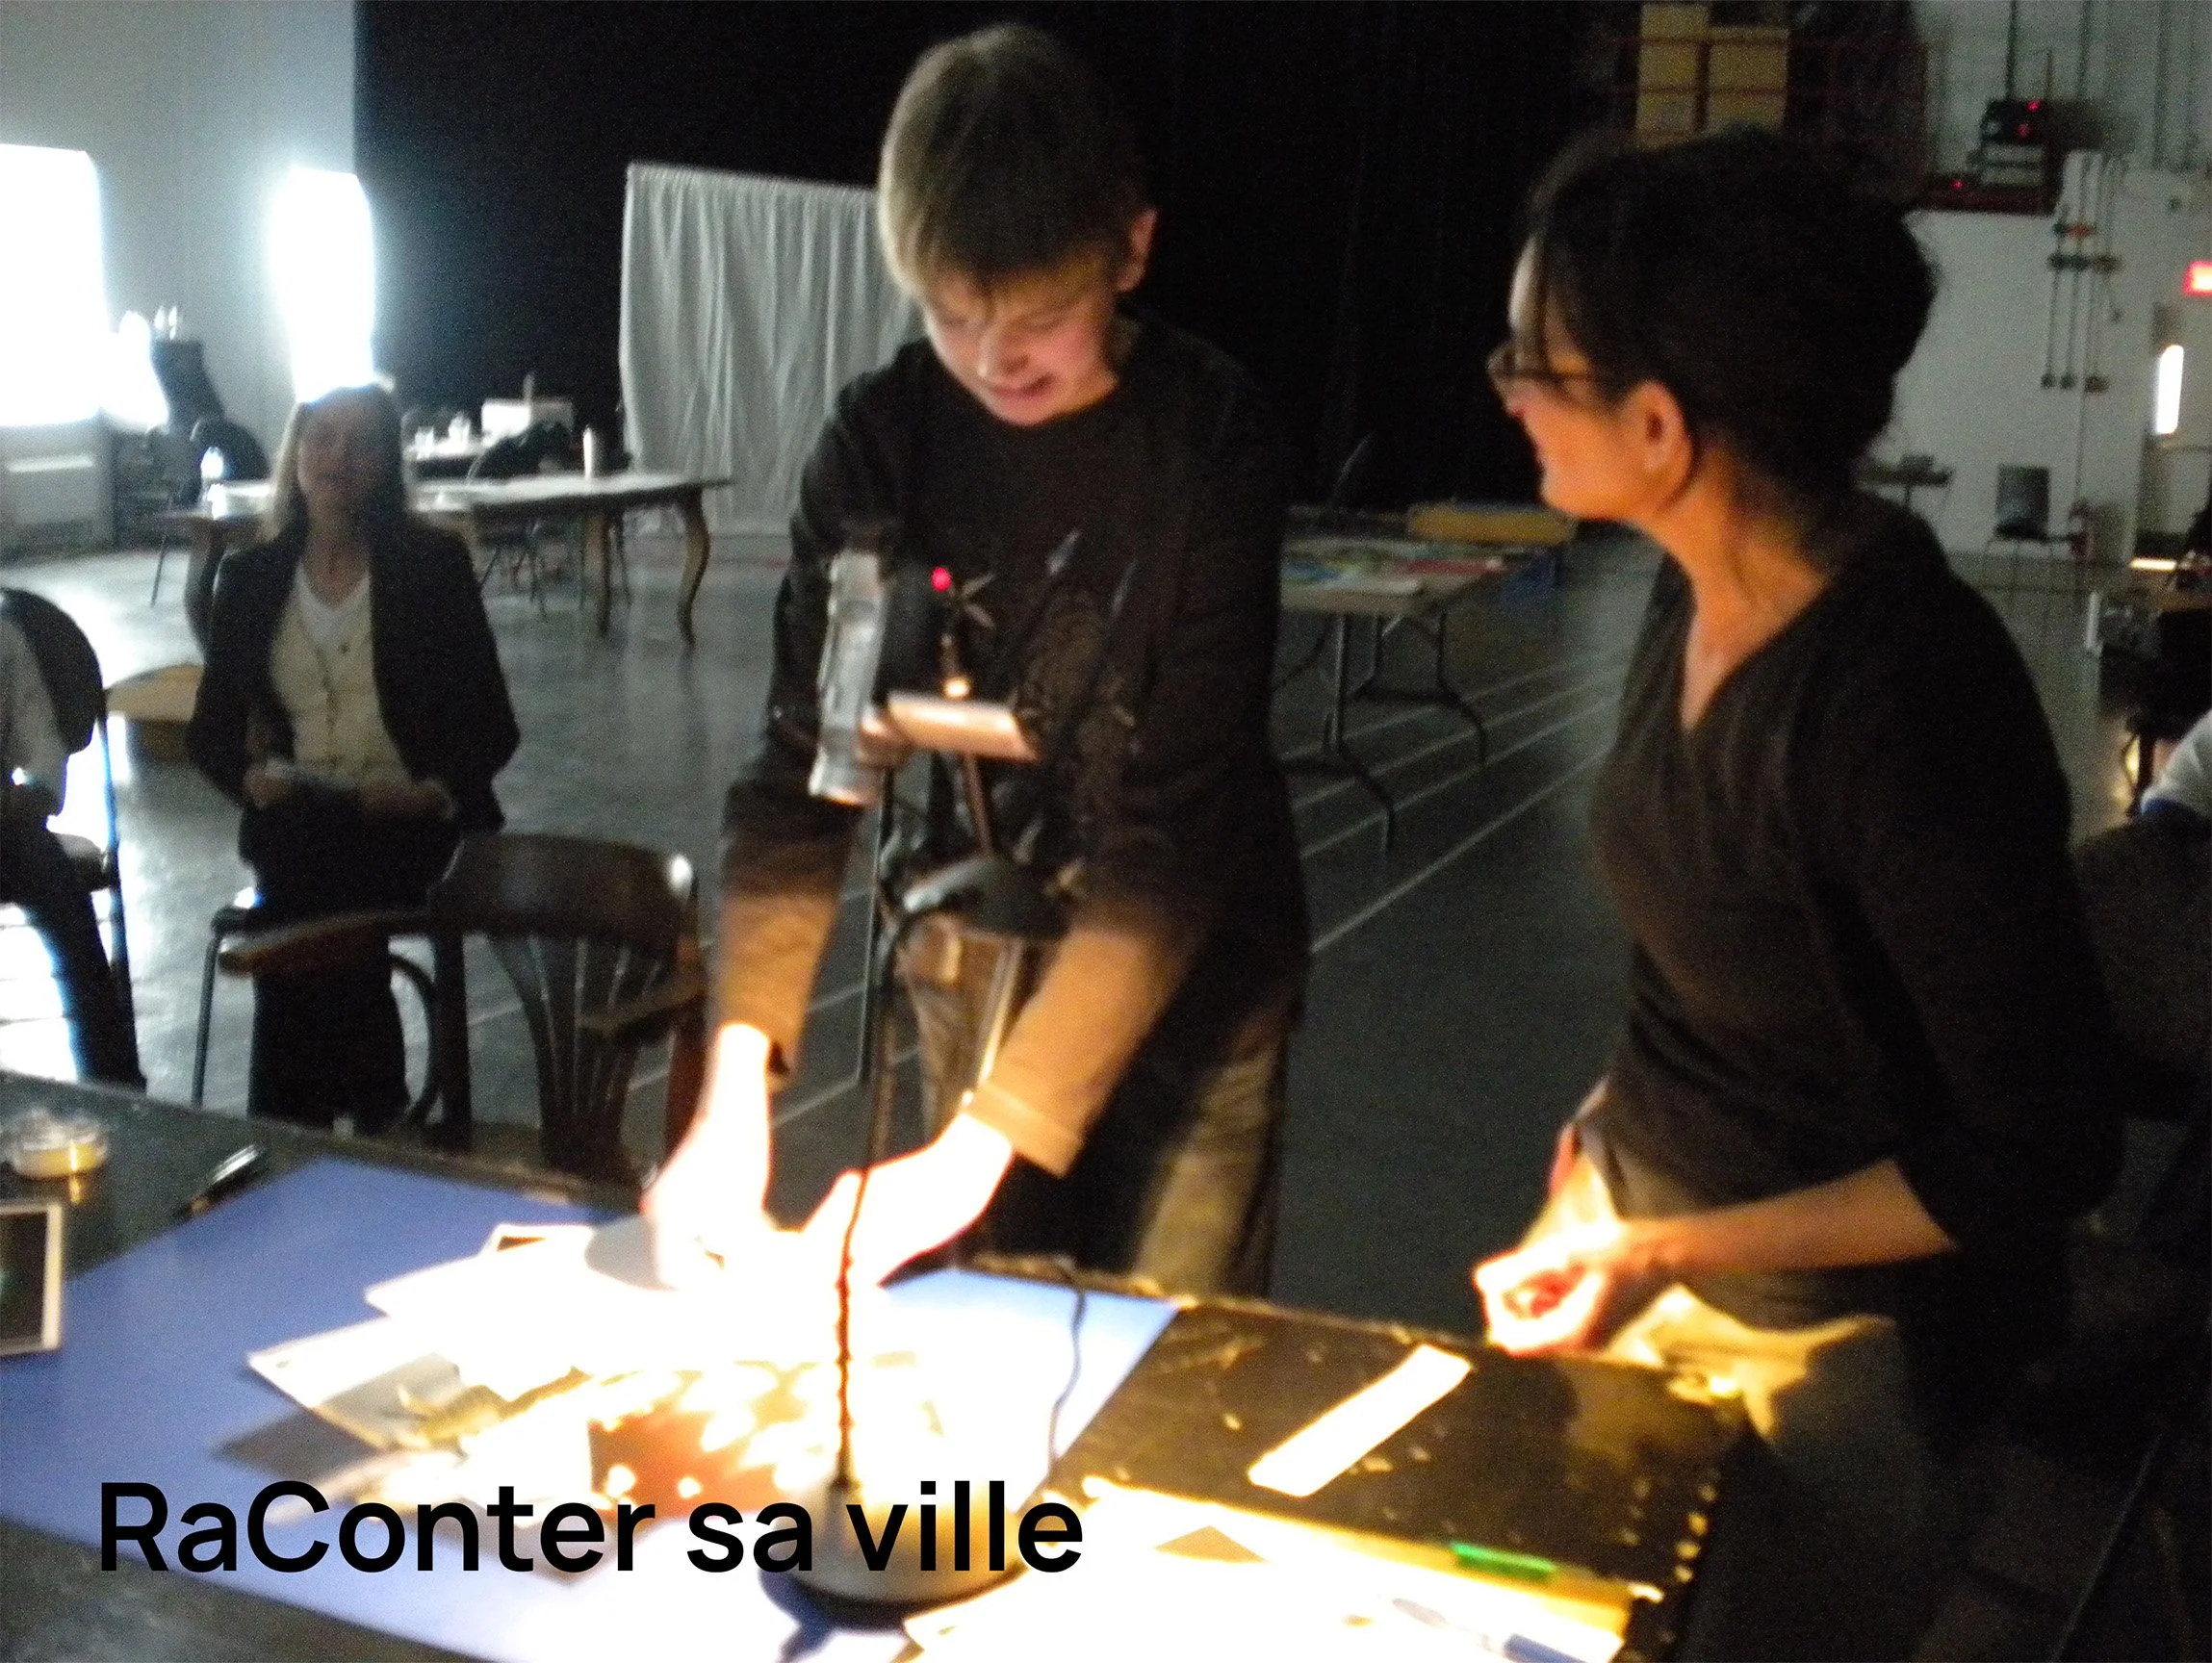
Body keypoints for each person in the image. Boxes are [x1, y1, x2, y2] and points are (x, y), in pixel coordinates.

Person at [1468, 131, 2119, 1655]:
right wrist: (1595, 1174)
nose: (1501, 386)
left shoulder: (1903, 704)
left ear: (1655, 426)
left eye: (1529, 360)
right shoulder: (1692, 586)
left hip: (1851, 1348)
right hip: (1654, 1244)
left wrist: (1664, 1252)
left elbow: (2038, 1151)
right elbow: (1684, 973)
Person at [647, 23, 1306, 1296]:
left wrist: (977, 1151)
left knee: (1166, 1380)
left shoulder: (1209, 444)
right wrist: (737, 1078)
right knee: (973, 1391)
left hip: (1195, 996)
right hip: (970, 957)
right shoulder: (880, 443)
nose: (997, 356)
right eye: (952, 314)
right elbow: (802, 769)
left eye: (1041, 317)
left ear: (1131, 249)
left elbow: (1172, 831)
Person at [187, 383, 518, 1129]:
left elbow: (493, 725)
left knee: (304, 895)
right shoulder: (250, 578)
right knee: (308, 857)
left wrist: (433, 790)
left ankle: (291, 1123)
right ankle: (376, 1109)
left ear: (385, 463)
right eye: (322, 437)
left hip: (417, 821)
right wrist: (250, 782)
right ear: (295, 454)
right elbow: (210, 735)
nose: (338, 455)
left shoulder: (431, 567)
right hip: (307, 815)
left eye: (360, 441)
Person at [0, 603, 140, 1087]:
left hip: (6, 828)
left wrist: (36, 793)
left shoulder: (4, 637)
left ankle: (114, 1082)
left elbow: (38, 733)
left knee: (61, 894)